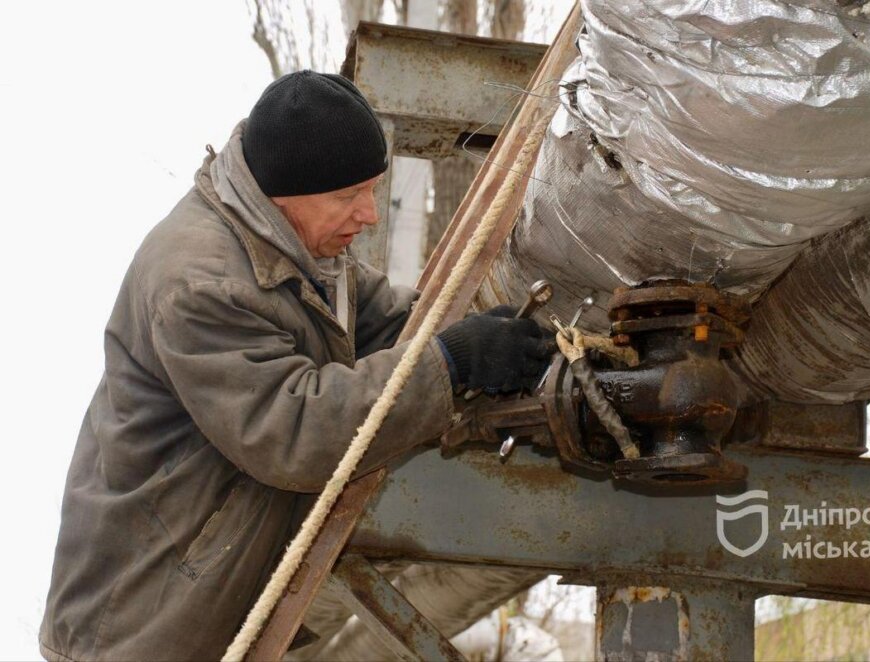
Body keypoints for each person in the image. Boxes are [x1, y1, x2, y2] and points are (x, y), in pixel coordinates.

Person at [40, 71, 549, 661]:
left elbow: (385, 323)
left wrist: (490, 333)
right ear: (286, 192)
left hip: (213, 590)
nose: (369, 215)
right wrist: (451, 363)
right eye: (347, 196)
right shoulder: (200, 284)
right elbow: (292, 430)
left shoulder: (295, 244)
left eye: (373, 190)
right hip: (144, 625)